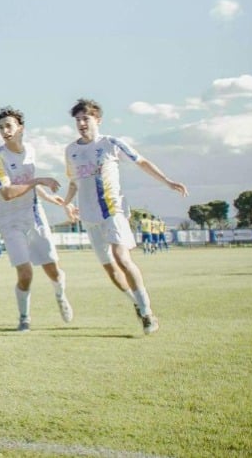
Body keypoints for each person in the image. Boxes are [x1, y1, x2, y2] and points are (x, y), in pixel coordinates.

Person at [63, 98, 188, 336]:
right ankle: (137, 303)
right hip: (89, 216)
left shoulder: (111, 143)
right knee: (111, 271)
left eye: (85, 118)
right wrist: (67, 204)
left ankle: (148, 312)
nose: (81, 123)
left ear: (97, 120)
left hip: (113, 210)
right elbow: (73, 182)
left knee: (122, 257)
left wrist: (168, 181)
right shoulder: (71, 150)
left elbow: (142, 162)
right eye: (77, 120)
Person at [0, 107, 73, 332]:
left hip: (34, 216)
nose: (5, 131)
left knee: (53, 270)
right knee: (25, 273)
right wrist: (38, 181)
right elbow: (7, 193)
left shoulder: (30, 151)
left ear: (20, 128)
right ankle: (24, 317)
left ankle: (60, 295)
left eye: (9, 126)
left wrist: (51, 198)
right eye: (1, 127)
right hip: (10, 221)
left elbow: (29, 185)